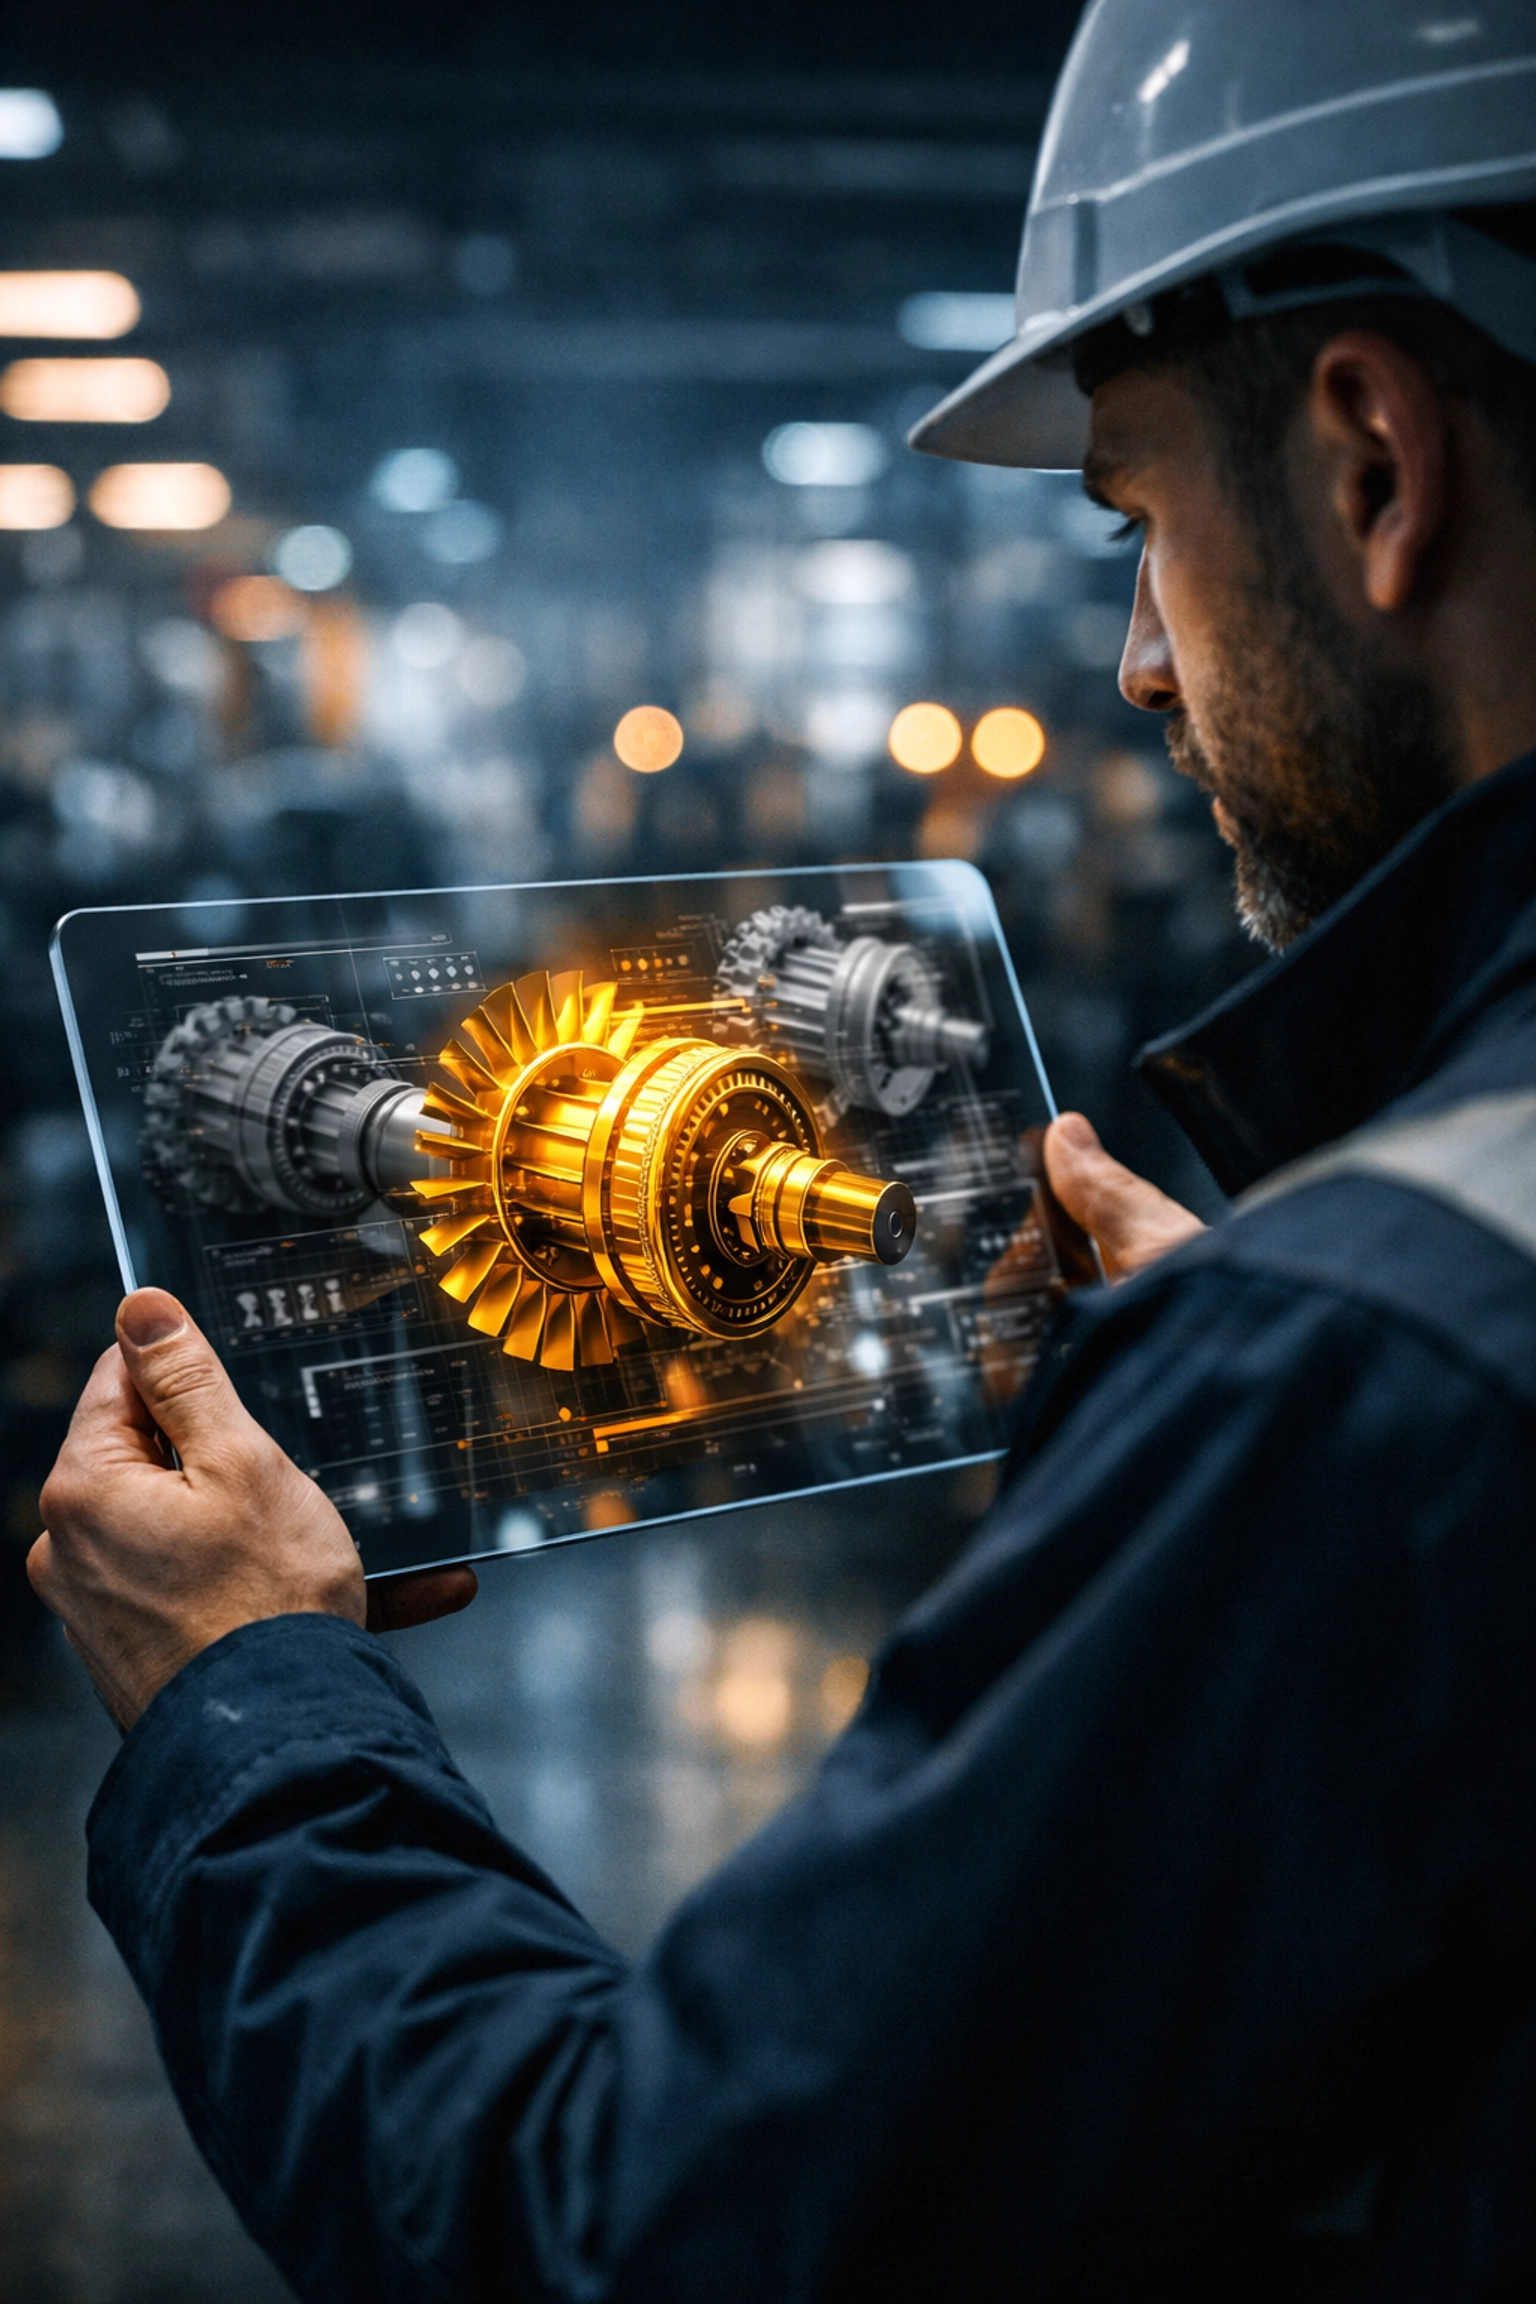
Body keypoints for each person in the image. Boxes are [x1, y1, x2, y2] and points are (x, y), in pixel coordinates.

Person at [28, 4, 1536, 2297]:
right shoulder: (1375, 1330)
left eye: (1138, 524)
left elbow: (647, 2241)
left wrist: (247, 1701)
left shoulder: (1371, 1374)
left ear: (1370, 467)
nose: (1139, 660)